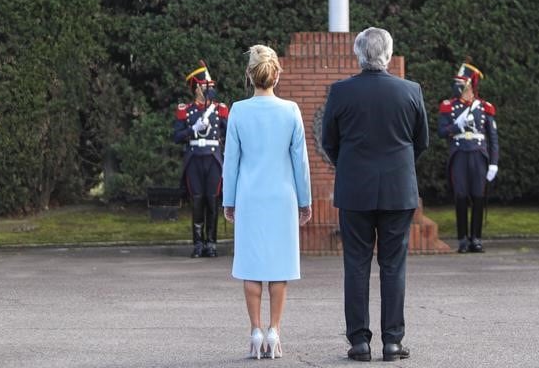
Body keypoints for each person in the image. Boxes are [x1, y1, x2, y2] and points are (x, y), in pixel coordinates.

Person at [321, 28, 429, 364]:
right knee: (393, 266)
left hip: (355, 190)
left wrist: (350, 167)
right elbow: (420, 141)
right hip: (398, 189)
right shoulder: (410, 91)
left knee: (356, 265)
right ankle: (393, 343)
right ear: (388, 53)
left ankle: (359, 343)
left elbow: (329, 141)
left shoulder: (340, 92)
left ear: (359, 54)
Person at [222, 44, 312, 361]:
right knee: (278, 266)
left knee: (250, 264)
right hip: (282, 197)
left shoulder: (237, 110)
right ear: (277, 75)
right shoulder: (290, 111)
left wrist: (228, 200)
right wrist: (305, 200)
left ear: (250, 75)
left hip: (249, 196)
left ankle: (255, 330)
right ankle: (274, 330)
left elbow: (230, 161)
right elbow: (300, 161)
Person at [438, 61, 499, 253]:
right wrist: (458, 125)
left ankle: (476, 239)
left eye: (462, 83)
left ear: (470, 85)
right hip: (459, 154)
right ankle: (463, 239)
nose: (459, 87)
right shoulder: (449, 106)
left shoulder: (484, 107)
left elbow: (493, 138)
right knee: (461, 196)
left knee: (478, 196)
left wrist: (494, 163)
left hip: (479, 155)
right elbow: (441, 131)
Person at [174, 60, 229, 257]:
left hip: (213, 159)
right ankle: (198, 244)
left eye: (210, 86)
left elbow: (230, 132)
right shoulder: (186, 110)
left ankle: (211, 243)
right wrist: (192, 129)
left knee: (212, 201)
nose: (209, 89)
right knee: (197, 201)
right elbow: (176, 136)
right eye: (206, 86)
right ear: (196, 87)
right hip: (194, 159)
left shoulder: (219, 108)